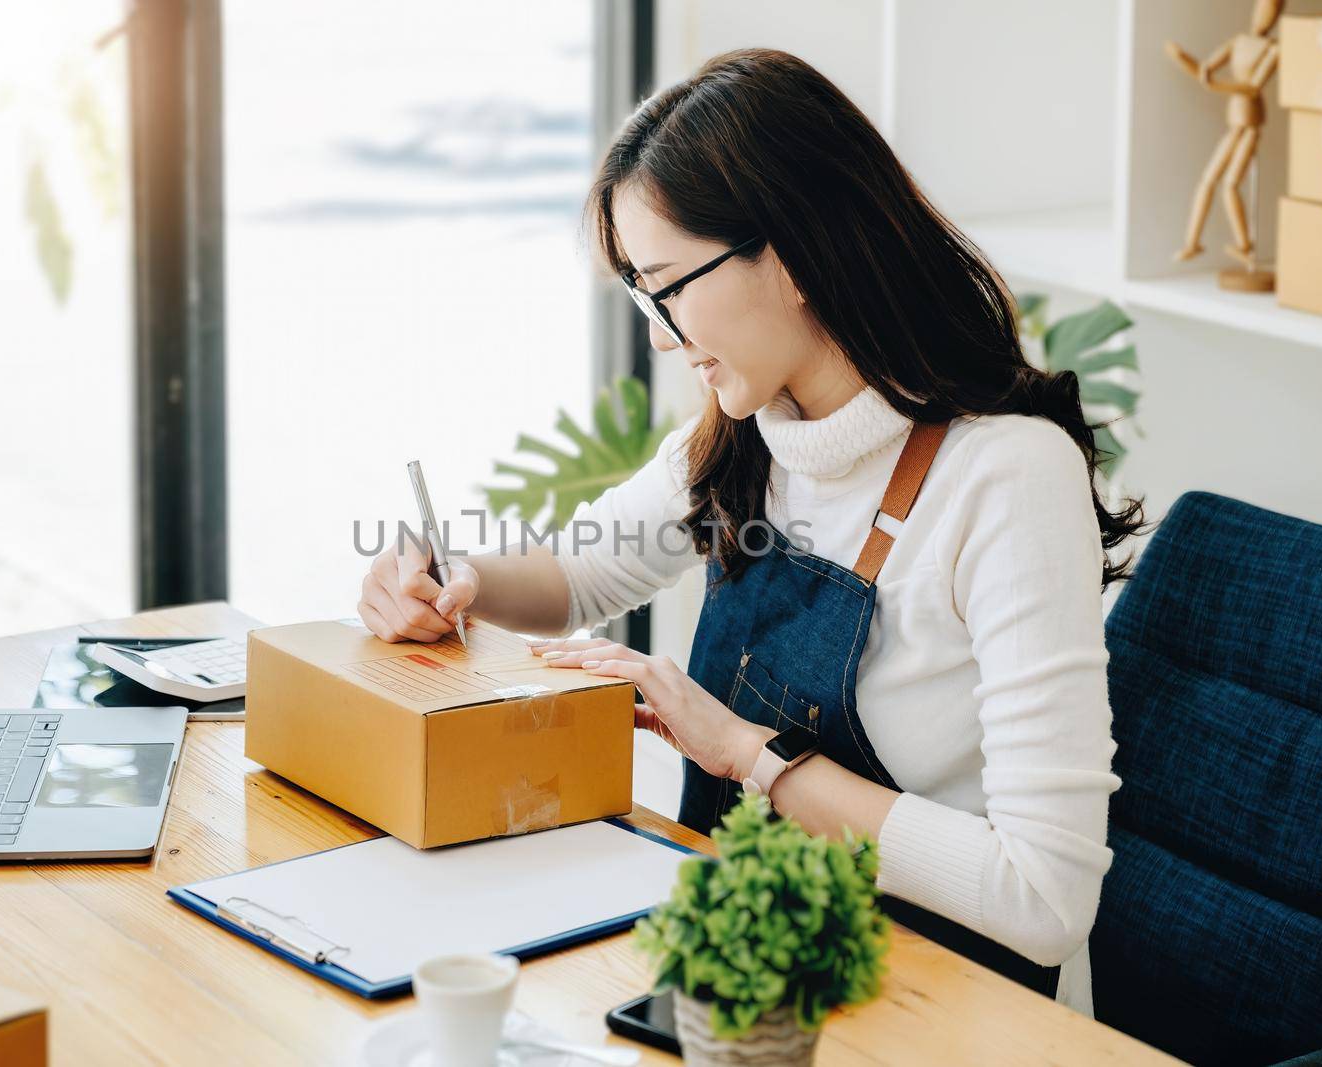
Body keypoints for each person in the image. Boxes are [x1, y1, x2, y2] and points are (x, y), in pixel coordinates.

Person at [356, 48, 1144, 1016]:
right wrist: (452, 578)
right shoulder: (751, 433)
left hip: (951, 1004)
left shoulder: (1007, 476)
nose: (657, 333)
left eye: (666, 286)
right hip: (762, 974)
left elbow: (1043, 896)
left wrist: (746, 754)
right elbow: (580, 571)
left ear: (795, 255)